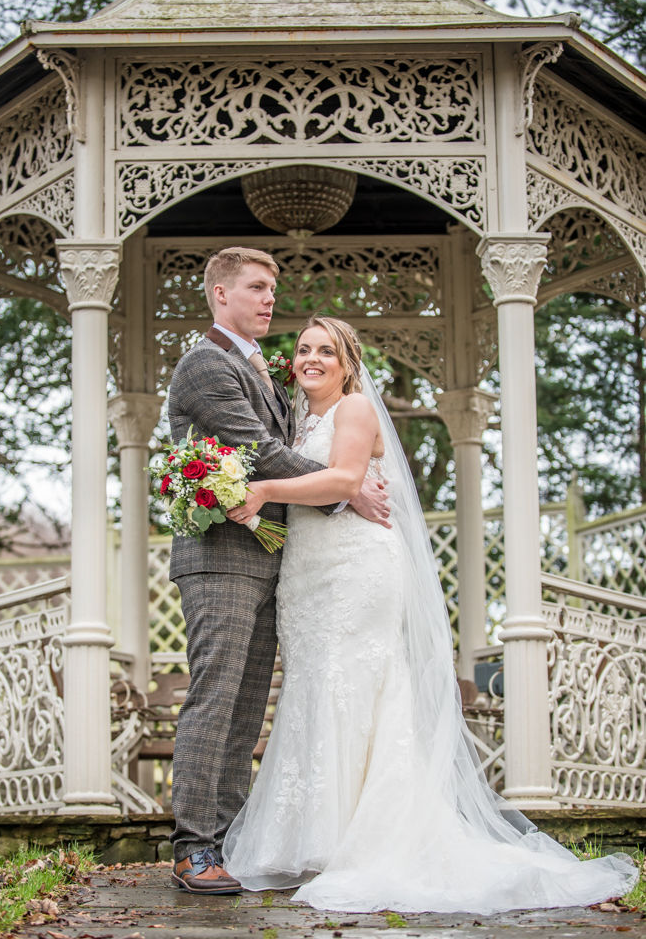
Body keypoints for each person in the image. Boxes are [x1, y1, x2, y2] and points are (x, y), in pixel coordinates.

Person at [222, 315, 638, 913]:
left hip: (357, 567)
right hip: (306, 572)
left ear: (348, 363)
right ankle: (316, 836)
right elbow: (321, 479)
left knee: (355, 685)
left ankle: (367, 839)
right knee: (313, 686)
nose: (311, 359)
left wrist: (265, 491)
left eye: (326, 351)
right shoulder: (297, 420)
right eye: (305, 349)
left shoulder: (355, 408)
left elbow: (342, 478)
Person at [166, 249, 389, 895]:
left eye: (272, 289)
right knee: (216, 697)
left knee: (246, 706)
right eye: (257, 287)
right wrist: (346, 487)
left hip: (272, 559)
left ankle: (227, 839)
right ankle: (192, 848)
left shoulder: (261, 368)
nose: (270, 299)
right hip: (220, 558)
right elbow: (259, 451)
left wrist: (341, 480)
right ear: (220, 294)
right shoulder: (207, 363)